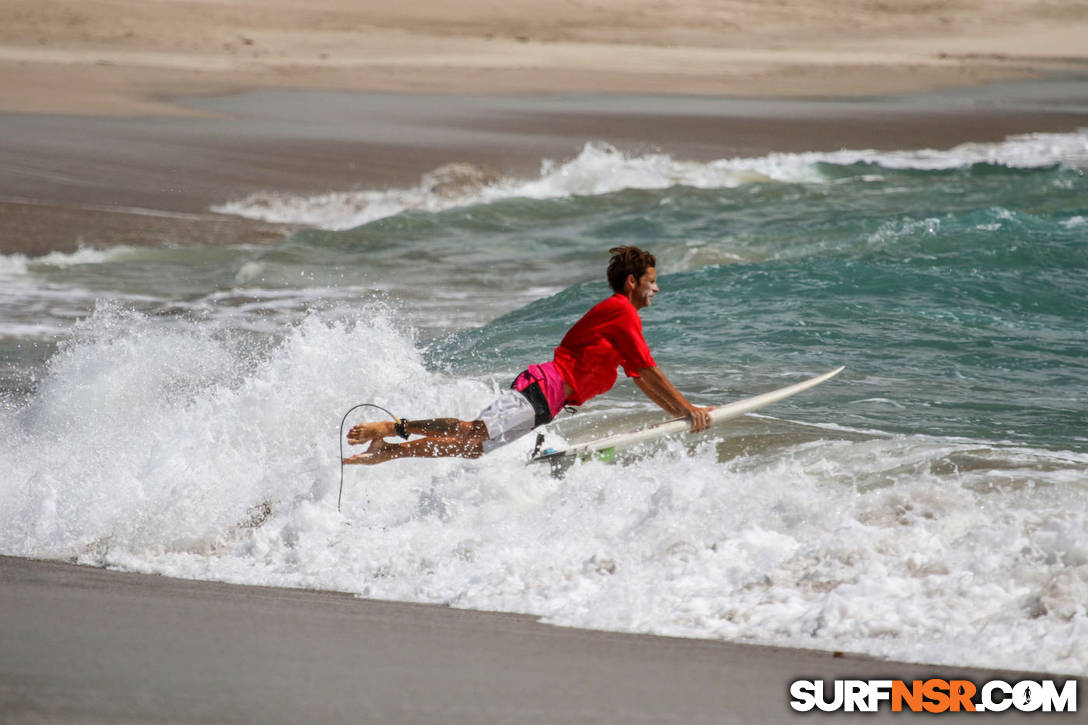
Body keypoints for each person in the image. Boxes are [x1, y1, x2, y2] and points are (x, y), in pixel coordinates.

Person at [343, 245, 712, 465]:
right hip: (544, 385)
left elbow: (641, 377)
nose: (656, 289)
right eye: (651, 281)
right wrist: (688, 409)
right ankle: (394, 428)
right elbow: (649, 370)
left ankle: (390, 451)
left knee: (474, 448)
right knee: (475, 431)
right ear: (632, 282)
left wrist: (682, 410)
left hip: (548, 402)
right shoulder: (622, 310)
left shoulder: (621, 322)